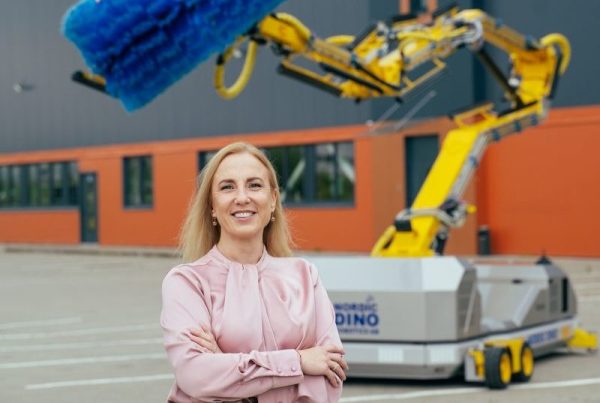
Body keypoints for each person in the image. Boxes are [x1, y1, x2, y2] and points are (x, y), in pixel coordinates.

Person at [160, 142, 348, 403]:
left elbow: (331, 376)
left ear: (273, 200)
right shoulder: (187, 282)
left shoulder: (305, 276)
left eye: (254, 185)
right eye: (227, 187)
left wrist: (227, 368)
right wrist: (298, 362)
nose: (242, 197)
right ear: (212, 205)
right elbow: (195, 376)